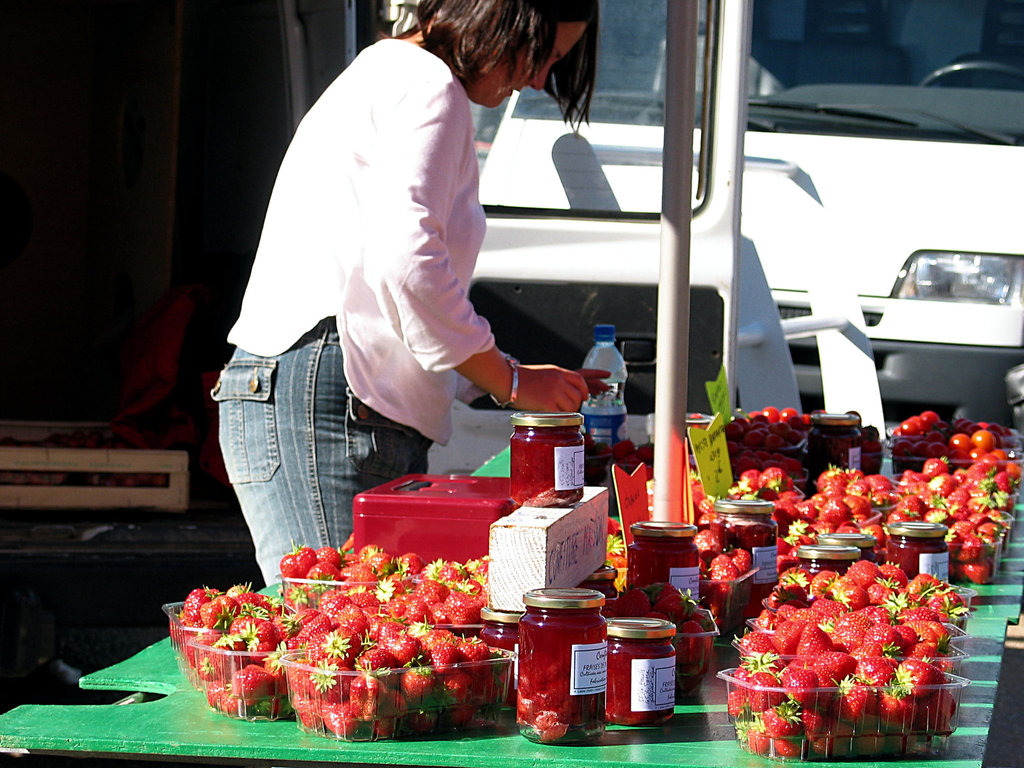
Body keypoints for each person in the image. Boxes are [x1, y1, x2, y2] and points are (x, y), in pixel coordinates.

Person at [213, 0, 605, 586]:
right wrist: (512, 383)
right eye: (542, 53)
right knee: (341, 647)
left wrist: (505, 373)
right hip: (330, 393)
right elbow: (407, 263)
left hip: (319, 388)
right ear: (499, 17)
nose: (539, 78)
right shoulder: (429, 86)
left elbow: (389, 280)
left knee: (344, 643)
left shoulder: (391, 71)